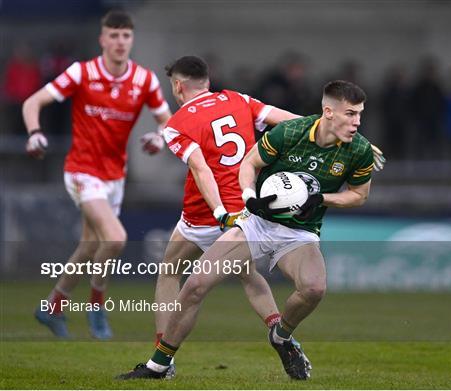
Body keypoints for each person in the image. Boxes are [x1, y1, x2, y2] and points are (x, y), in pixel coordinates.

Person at [118, 80, 376, 380]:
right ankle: (158, 366)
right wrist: (249, 197)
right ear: (328, 112)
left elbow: (359, 195)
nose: (357, 121)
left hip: (299, 234)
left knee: (314, 289)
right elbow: (249, 164)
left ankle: (281, 335)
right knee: (195, 285)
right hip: (258, 224)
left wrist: (321, 198)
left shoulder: (358, 150)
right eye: (350, 114)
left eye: (359, 114)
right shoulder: (290, 132)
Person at [23, 10, 172, 339]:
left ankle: (52, 308)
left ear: (131, 40)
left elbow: (167, 121)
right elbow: (33, 101)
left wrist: (159, 139)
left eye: (126, 36)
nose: (120, 42)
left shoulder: (143, 80)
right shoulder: (82, 73)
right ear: (102, 39)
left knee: (90, 246)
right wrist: (34, 132)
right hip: (81, 171)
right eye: (114, 35)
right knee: (116, 238)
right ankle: (96, 306)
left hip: (114, 176)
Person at [152, 55, 302, 378]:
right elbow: (293, 122)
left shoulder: (177, 122)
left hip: (205, 215)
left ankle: (162, 360)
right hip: (246, 210)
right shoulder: (239, 99)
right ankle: (279, 331)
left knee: (170, 272)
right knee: (248, 276)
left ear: (178, 86)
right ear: (208, 80)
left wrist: (219, 212)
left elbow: (201, 169)